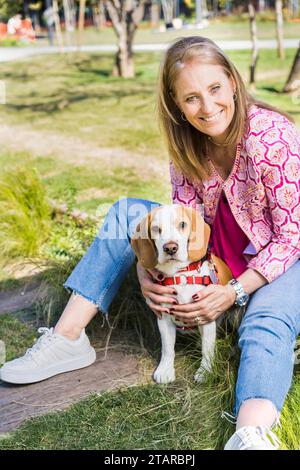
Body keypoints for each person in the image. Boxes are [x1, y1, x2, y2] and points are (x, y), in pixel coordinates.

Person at [1, 36, 299, 450]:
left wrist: (231, 292)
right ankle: (69, 338)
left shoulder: (270, 137)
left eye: (214, 89)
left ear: (233, 81)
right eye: (191, 98)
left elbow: (292, 236)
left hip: (278, 261)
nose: (207, 107)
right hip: (214, 258)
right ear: (177, 104)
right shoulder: (187, 147)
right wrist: (147, 270)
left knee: (269, 319)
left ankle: (250, 432)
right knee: (126, 212)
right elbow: (179, 220)